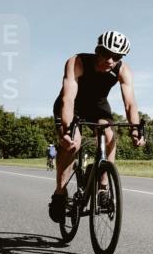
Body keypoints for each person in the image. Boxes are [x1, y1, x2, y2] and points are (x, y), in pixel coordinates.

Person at [49, 30, 145, 222]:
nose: (110, 60)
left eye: (116, 56)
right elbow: (68, 98)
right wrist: (67, 129)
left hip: (97, 105)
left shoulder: (123, 70)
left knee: (109, 135)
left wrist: (135, 129)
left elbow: (130, 103)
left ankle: (102, 187)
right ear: (97, 50)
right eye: (106, 53)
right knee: (73, 143)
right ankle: (60, 193)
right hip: (72, 104)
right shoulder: (77, 62)